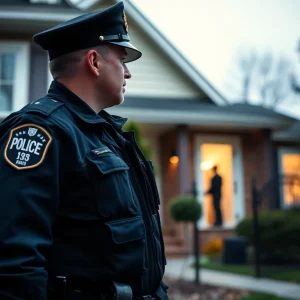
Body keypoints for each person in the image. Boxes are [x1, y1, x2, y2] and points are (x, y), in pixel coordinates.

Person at [0, 2, 168, 300]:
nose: (127, 73)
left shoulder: (109, 137)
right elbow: (15, 262)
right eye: (122, 59)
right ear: (94, 61)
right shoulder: (40, 131)